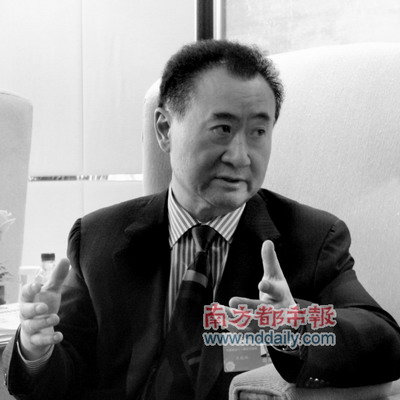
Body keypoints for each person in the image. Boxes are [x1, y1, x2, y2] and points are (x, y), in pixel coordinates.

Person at [3, 40, 400, 400]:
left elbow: (383, 342)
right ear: (165, 129)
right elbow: (64, 375)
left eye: (258, 131)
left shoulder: (310, 239)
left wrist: (293, 325)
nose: (241, 156)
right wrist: (35, 350)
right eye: (222, 129)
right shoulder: (98, 238)